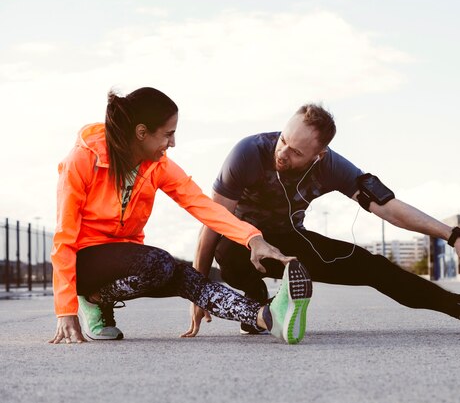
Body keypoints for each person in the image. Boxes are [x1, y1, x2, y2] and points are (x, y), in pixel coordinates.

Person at [183, 104, 460, 338]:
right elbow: (213, 220)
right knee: (227, 252)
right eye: (283, 141)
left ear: (318, 155)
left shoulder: (332, 166)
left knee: (374, 268)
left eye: (296, 152)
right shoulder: (248, 153)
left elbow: (389, 207)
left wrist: (454, 236)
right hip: (243, 243)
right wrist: (198, 292)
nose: (282, 153)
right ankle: (260, 309)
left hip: (291, 242)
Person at [49, 87, 313, 345]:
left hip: (126, 257)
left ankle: (267, 316)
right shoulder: (83, 160)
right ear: (142, 133)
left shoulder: (156, 165)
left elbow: (201, 204)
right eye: (168, 134)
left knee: (185, 276)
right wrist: (65, 310)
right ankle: (93, 299)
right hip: (84, 260)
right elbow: (64, 238)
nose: (172, 143)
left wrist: (252, 238)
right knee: (159, 263)